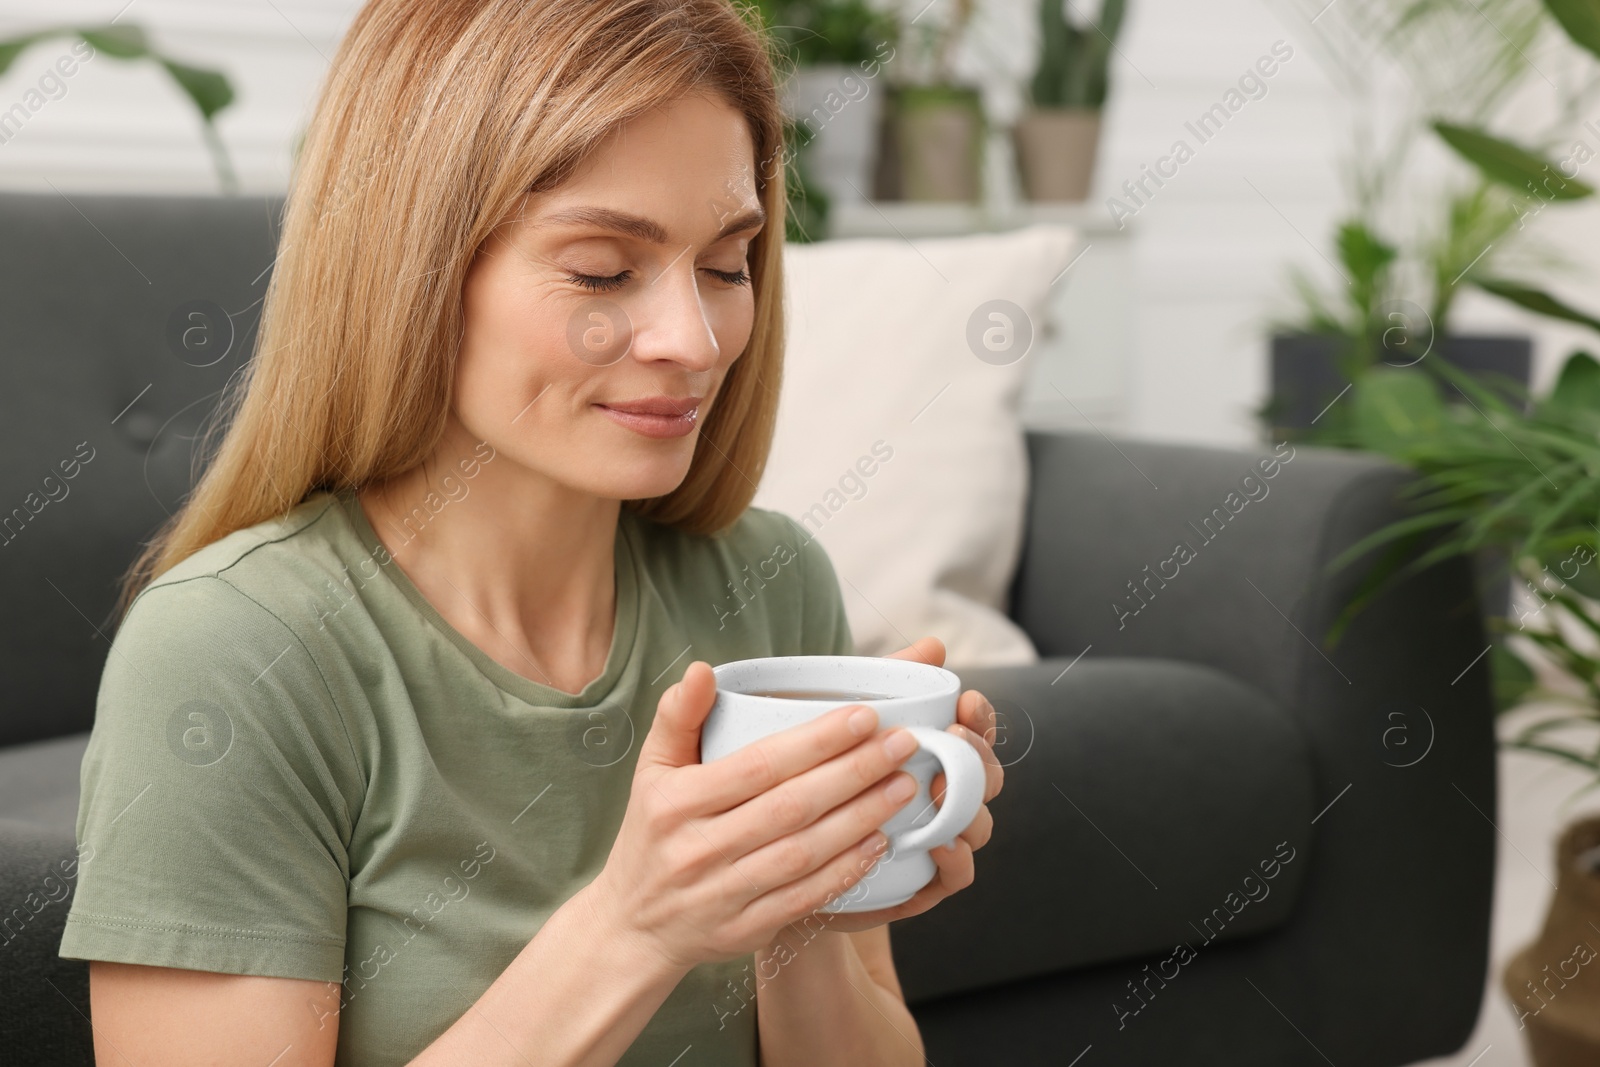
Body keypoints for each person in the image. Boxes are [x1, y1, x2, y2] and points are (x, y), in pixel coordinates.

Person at [57, 1, 1003, 1064]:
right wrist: (634, 927)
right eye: (603, 269)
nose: (693, 341)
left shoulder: (770, 584)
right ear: (408, 268)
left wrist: (809, 895)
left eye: (728, 263)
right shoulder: (232, 653)